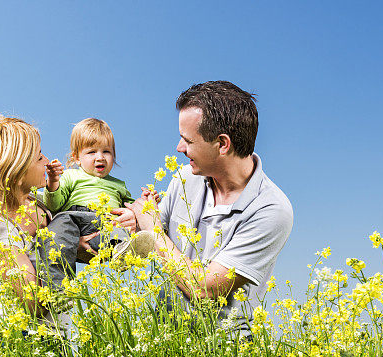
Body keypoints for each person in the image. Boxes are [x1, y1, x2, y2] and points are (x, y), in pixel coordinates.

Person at [124, 81, 293, 337]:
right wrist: (130, 223)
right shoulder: (185, 178)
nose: (179, 149)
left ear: (222, 144)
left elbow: (205, 289)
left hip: (223, 353)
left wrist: (151, 228)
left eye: (187, 140)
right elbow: (146, 242)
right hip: (166, 335)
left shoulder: (271, 209)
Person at [0, 115, 102, 336]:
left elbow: (62, 238)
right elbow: (32, 301)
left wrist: (78, 244)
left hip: (60, 329)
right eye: (38, 157)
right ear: (13, 170)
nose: (47, 161)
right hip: (27, 337)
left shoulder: (38, 202)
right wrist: (62, 249)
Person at [40, 118, 152, 289]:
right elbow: (54, 205)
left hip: (104, 223)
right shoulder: (71, 176)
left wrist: (146, 202)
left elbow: (132, 210)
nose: (100, 157)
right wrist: (53, 181)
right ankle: (58, 287)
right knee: (57, 233)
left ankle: (124, 254)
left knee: (119, 231)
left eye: (106, 151)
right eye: (91, 152)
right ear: (76, 158)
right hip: (74, 219)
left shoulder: (118, 185)